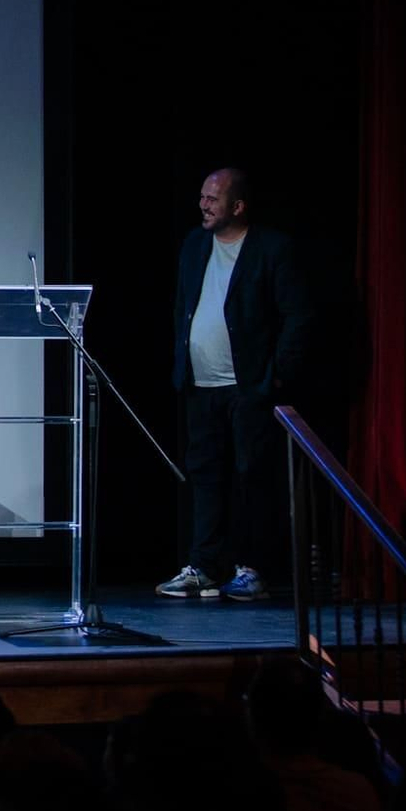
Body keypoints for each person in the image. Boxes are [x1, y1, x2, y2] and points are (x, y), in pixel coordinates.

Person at [157, 168, 311, 602]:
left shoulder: (271, 249)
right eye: (202, 197)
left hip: (249, 387)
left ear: (238, 206)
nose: (203, 205)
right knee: (205, 476)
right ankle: (203, 566)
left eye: (213, 198)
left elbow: (297, 317)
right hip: (200, 385)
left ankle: (252, 567)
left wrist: (274, 376)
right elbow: (183, 307)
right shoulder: (194, 244)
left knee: (252, 478)